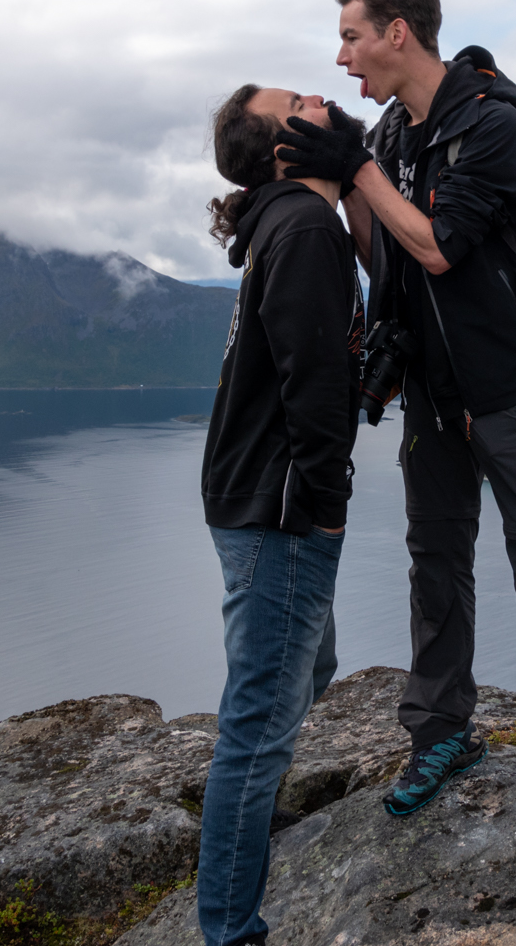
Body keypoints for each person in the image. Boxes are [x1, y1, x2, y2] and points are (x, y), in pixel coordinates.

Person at [274, 0, 516, 857]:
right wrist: (354, 186)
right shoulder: (396, 133)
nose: (343, 54)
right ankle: (441, 735)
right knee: (435, 568)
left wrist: (356, 163)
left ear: (400, 32)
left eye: (353, 35)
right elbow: (390, 254)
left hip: (508, 392)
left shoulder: (491, 126)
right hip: (434, 396)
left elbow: (438, 247)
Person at [197, 83, 364, 946]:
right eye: (299, 100)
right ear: (284, 149)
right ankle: (230, 930)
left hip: (253, 495)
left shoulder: (288, 222)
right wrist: (327, 511)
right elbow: (313, 382)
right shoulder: (302, 227)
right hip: (281, 508)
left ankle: (247, 830)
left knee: (308, 668)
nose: (322, 92)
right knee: (258, 725)